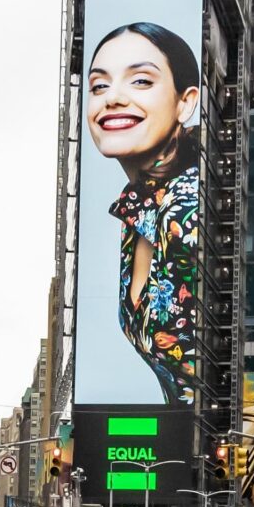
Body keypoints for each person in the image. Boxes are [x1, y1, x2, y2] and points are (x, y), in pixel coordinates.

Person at [87, 21, 200, 405]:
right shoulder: (136, 206)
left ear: (186, 101)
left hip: (222, 440)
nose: (112, 98)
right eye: (100, 85)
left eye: (140, 81)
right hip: (182, 444)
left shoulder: (191, 205)